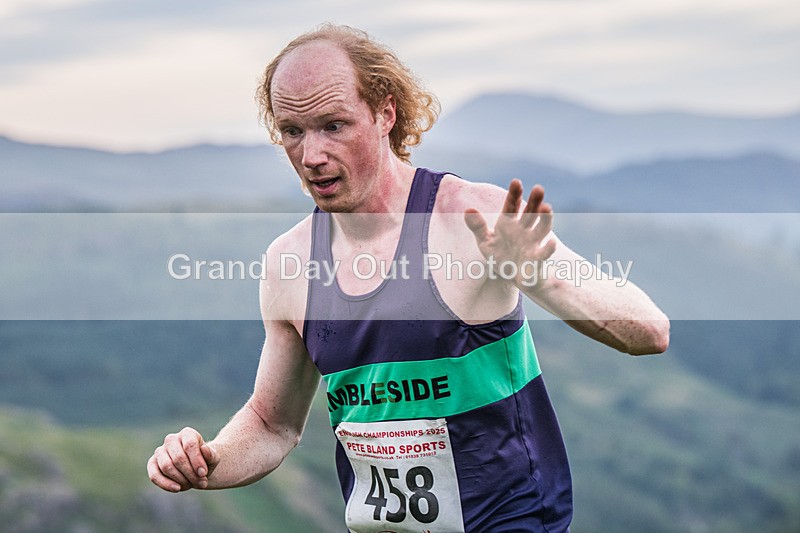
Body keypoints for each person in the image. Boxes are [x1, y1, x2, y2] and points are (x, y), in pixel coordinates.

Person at [147, 24, 669, 532]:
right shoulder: (289, 264)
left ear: (385, 113)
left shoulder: (472, 218)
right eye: (292, 131)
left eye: (333, 125)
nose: (311, 156)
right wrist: (206, 462)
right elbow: (271, 424)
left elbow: (649, 331)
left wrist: (536, 275)